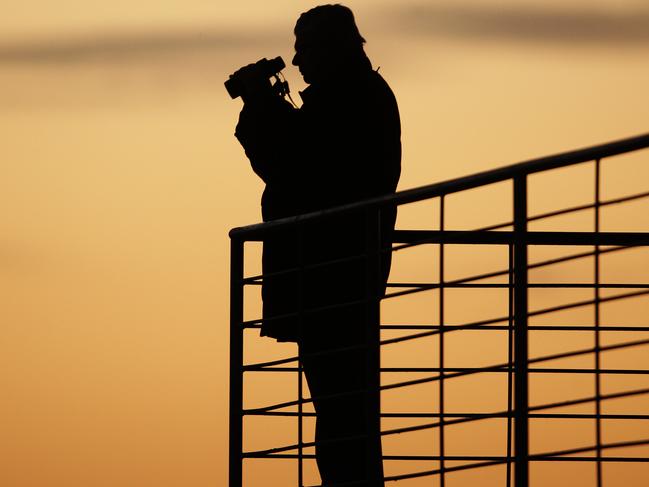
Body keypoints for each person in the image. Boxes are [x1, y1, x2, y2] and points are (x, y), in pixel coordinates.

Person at [234, 5, 401, 486]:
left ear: (334, 48)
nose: (297, 59)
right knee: (341, 415)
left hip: (334, 274)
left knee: (342, 415)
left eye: (305, 47)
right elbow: (301, 159)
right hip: (337, 272)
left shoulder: (351, 99)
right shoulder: (353, 96)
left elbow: (294, 167)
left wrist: (261, 107)